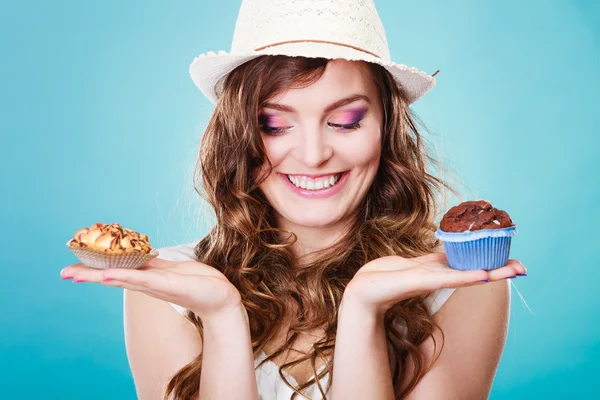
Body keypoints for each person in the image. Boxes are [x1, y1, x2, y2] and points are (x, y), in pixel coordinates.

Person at [60, 0, 527, 399]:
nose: (312, 154)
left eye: (344, 120)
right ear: (240, 133)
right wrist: (223, 317)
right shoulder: (168, 292)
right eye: (274, 125)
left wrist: (363, 310)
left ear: (387, 127)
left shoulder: (461, 283)